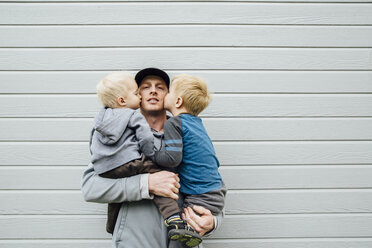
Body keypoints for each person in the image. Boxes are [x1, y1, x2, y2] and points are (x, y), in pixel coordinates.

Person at [81, 68, 223, 248]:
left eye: (161, 87)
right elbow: (90, 188)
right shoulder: (116, 137)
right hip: (134, 241)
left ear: (173, 98)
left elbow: (211, 185)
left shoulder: (190, 133)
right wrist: (146, 184)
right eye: (145, 87)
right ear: (135, 96)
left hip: (184, 242)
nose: (153, 91)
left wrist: (213, 222)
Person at [153, 74, 227, 247]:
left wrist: (153, 153)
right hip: (215, 193)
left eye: (167, 90)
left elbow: (172, 158)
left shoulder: (174, 124)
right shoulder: (197, 124)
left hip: (200, 197)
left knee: (183, 233)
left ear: (177, 101)